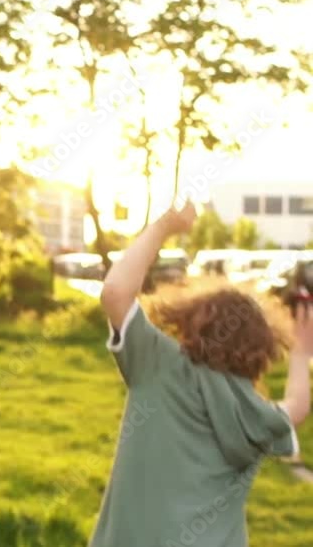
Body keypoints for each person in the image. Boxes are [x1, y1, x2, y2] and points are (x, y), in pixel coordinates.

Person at [91, 203, 311, 547]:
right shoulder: (254, 413)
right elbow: (296, 406)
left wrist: (165, 226)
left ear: (189, 323)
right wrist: (300, 351)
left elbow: (115, 292)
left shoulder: (159, 363)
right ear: (261, 350)